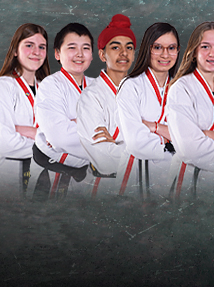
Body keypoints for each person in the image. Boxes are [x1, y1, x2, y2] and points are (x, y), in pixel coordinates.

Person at [166, 22, 214, 199]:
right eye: (205, 47)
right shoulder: (181, 88)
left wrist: (204, 133)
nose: (213, 53)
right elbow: (189, 148)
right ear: (194, 51)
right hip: (190, 178)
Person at [28, 23, 98, 200]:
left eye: (86, 48)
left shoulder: (99, 87)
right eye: (72, 47)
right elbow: (60, 137)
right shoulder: (50, 86)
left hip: (87, 174)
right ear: (57, 53)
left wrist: (76, 123)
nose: (80, 54)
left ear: (92, 54)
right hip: (52, 169)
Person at [116, 23, 180, 198]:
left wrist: (153, 127)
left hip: (171, 175)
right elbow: (136, 143)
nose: (165, 54)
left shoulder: (181, 88)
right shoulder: (131, 86)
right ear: (147, 49)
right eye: (157, 47)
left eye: (171, 48)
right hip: (137, 173)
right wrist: (172, 142)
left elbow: (195, 136)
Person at [76, 14, 136, 197]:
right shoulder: (90, 97)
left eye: (129, 47)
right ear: (102, 54)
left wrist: (117, 142)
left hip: (140, 187)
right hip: (104, 187)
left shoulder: (140, 92)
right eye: (115, 47)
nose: (123, 53)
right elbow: (105, 160)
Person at [0, 24, 49, 199]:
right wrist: (47, 145)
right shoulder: (4, 86)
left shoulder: (49, 90)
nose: (36, 51)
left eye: (41, 47)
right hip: (9, 181)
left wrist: (25, 131)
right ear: (15, 51)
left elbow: (67, 135)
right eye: (29, 45)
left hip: (44, 179)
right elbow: (4, 143)